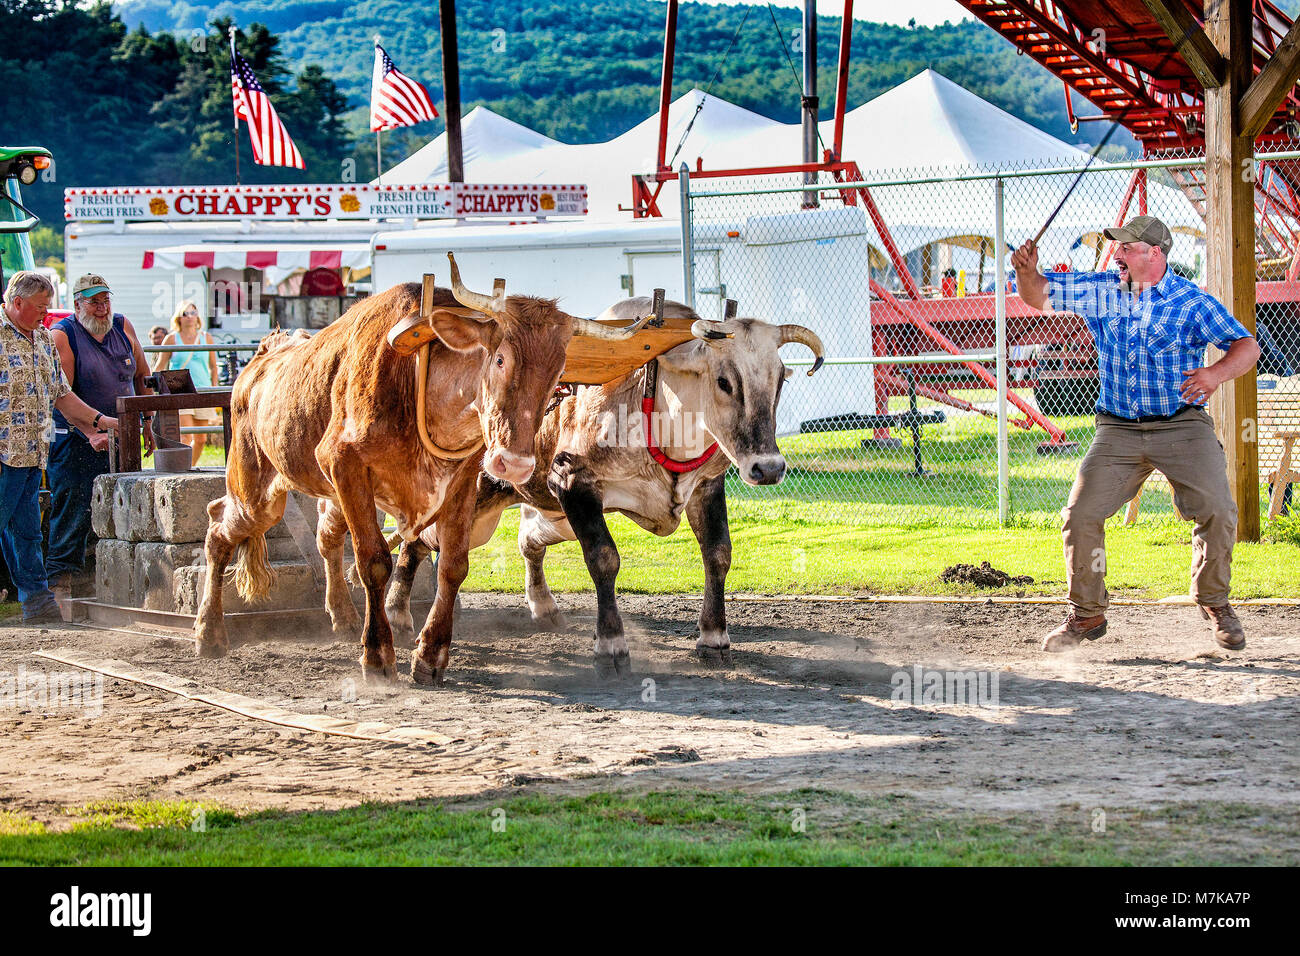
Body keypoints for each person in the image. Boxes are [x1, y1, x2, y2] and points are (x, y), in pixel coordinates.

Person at [1012, 216, 1262, 653]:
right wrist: (1026, 272)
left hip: (1182, 424)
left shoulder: (1190, 301)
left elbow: (1246, 346)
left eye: (1127, 248)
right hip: (1117, 430)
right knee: (1081, 514)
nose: (1118, 255)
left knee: (1219, 511)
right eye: (1118, 248)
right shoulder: (1105, 289)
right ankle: (1087, 614)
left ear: (1155, 253)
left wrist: (1214, 374)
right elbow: (1040, 296)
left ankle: (1214, 601)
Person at [1, 272, 118, 623]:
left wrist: (101, 421)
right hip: (4, 452)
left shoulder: (42, 338)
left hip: (31, 453)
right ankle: (37, 603)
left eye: (48, 307)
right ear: (16, 303)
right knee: (17, 529)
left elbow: (61, 395)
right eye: (40, 307)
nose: (45, 313)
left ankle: (38, 605)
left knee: (27, 531)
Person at [46, 274, 152, 591]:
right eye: (94, 302)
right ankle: (60, 586)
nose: (102, 308)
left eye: (105, 300)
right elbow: (61, 396)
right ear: (78, 304)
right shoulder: (63, 335)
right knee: (73, 511)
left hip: (121, 438)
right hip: (75, 440)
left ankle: (106, 581)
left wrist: (147, 421)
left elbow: (143, 377)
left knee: (122, 508)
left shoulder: (123, 326)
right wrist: (92, 429)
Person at [152, 301, 220, 466]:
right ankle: (183, 468)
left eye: (193, 313)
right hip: (180, 387)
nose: (190, 317)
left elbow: (213, 365)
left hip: (202, 388)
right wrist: (155, 389)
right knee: (186, 435)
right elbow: (160, 366)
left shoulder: (206, 338)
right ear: (179, 318)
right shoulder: (171, 339)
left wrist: (215, 388)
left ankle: (190, 466)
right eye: (185, 313)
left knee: (201, 438)